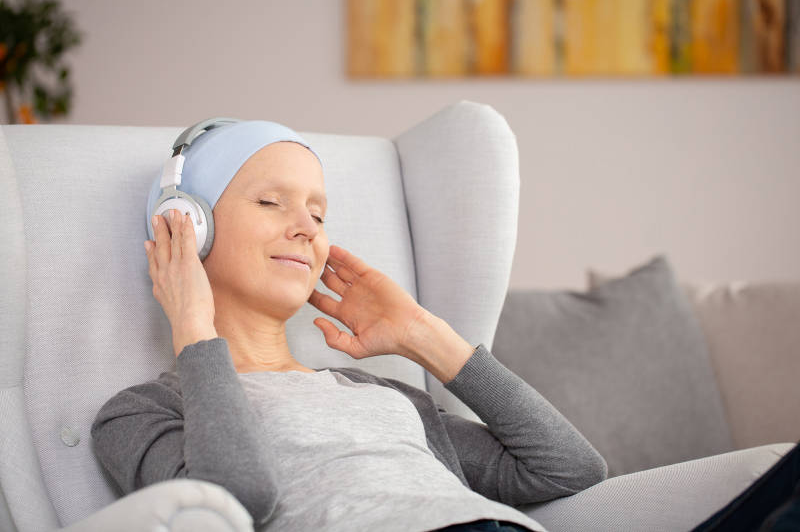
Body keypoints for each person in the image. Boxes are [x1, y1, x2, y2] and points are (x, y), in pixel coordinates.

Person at [91, 120, 610, 532]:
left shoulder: (378, 393)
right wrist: (194, 326)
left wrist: (420, 332)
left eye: (318, 216)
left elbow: (568, 467)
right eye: (271, 202)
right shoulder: (141, 412)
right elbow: (235, 497)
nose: (305, 229)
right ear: (189, 225)